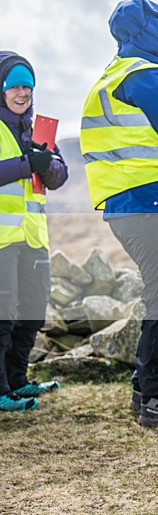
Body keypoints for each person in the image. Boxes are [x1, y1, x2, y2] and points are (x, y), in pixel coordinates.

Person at [80, 0, 158, 427]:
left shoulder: (116, 73)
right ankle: (154, 398)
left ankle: (145, 389)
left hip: (129, 204)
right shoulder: (144, 75)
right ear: (146, 29)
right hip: (146, 202)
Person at [0, 52, 68, 411]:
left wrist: (47, 164)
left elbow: (59, 177)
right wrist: (27, 164)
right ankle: (0, 391)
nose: (22, 93)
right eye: (14, 87)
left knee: (31, 312)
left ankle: (17, 382)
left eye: (27, 86)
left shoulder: (40, 129)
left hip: (33, 237)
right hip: (2, 240)